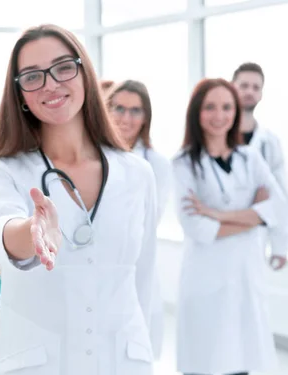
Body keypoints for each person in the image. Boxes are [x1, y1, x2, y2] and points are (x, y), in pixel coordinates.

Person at [0, 24, 157, 374]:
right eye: (32, 76)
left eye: (62, 67)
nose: (50, 84)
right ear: (19, 94)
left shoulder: (137, 173)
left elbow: (144, 278)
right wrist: (30, 233)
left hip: (120, 361)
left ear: (83, 72)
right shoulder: (2, 171)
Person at [172, 78, 288, 375]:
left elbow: (278, 207)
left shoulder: (250, 157)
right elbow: (196, 227)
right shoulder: (183, 163)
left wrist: (217, 215)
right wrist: (254, 216)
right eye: (210, 107)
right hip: (205, 280)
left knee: (240, 362)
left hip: (244, 276)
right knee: (204, 363)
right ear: (196, 112)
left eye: (226, 107)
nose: (219, 115)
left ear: (236, 112)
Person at [106, 80, 172, 360]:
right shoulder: (92, 157)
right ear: (106, 109)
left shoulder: (157, 164)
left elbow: (147, 224)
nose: (126, 118)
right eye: (119, 108)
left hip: (134, 269)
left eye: (135, 111)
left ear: (146, 118)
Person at [231, 62, 288, 270]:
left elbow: (279, 195)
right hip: (218, 238)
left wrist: (280, 246)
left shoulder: (269, 142)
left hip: (256, 238)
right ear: (232, 87)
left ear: (262, 94)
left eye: (256, 87)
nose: (249, 92)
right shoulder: (214, 137)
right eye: (244, 85)